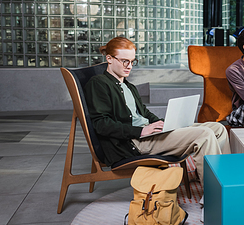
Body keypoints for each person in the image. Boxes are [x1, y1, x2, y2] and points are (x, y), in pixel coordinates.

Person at [84, 37, 229, 187]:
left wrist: (162, 123)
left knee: (218, 129)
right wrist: (141, 131)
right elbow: (101, 124)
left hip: (149, 134)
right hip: (135, 142)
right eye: (125, 61)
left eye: (133, 61)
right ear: (109, 58)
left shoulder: (128, 86)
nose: (129, 66)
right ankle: (214, 193)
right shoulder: (98, 84)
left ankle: (226, 180)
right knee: (204, 135)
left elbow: (144, 113)